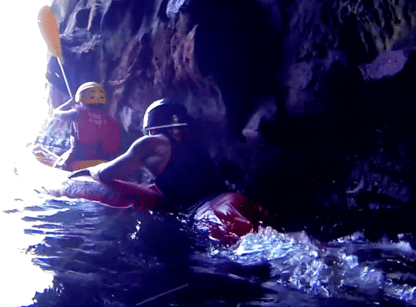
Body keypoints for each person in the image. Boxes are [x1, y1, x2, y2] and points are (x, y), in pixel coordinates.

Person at [72, 99, 269, 241]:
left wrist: (91, 169)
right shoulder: (198, 140)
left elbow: (107, 174)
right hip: (232, 199)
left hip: (204, 213)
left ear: (150, 128)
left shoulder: (151, 144)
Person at [51, 82, 123, 171]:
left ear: (81, 97)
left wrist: (70, 103)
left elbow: (55, 113)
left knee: (57, 167)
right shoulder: (111, 120)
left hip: (78, 161)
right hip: (104, 163)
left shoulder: (76, 113)